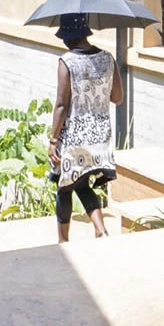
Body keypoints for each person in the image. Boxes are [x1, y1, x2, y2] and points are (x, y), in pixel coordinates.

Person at [47, 13, 120, 243]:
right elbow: (117, 97)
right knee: (80, 183)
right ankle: (100, 230)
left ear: (69, 37)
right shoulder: (108, 58)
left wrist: (53, 140)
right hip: (100, 136)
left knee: (64, 187)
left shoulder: (67, 62)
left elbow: (61, 105)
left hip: (75, 138)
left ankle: (63, 242)